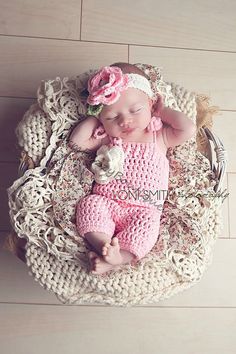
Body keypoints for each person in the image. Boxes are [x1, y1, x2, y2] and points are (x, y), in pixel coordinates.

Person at [69, 62, 196, 275]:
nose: (125, 120)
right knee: (89, 205)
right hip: (107, 201)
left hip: (143, 208)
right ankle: (103, 245)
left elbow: (188, 128)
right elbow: (77, 142)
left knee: (147, 228)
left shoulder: (159, 136)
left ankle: (118, 257)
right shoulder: (107, 138)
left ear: (151, 105)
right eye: (111, 117)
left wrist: (163, 112)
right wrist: (93, 118)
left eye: (136, 110)